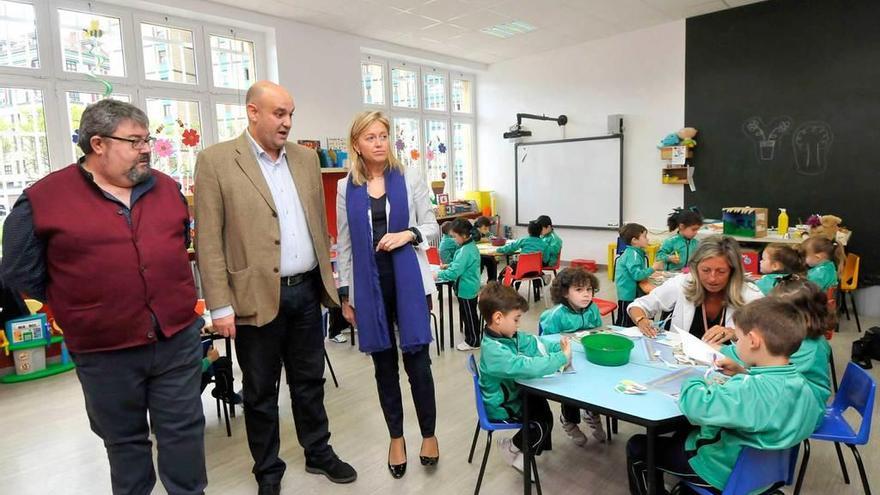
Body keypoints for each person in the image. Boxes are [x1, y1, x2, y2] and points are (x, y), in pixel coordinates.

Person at [0, 99, 207, 495]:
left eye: (147, 139)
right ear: (97, 144)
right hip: (103, 349)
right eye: (134, 140)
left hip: (175, 338)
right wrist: (80, 302)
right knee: (125, 444)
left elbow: (179, 243)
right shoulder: (42, 199)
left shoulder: (167, 188)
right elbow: (18, 271)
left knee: (184, 435)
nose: (146, 148)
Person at [194, 81, 355, 494]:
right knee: (261, 391)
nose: (287, 122)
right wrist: (219, 306)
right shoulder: (215, 161)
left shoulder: (305, 158)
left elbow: (316, 224)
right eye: (279, 113)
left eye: (290, 114)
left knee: (310, 381)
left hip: (306, 291)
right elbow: (209, 240)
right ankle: (267, 470)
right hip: (253, 298)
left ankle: (318, 452)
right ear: (252, 112)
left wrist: (331, 283)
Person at [626, 298, 824, 495]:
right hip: (767, 475)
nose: (735, 344)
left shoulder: (747, 390)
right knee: (683, 434)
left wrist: (694, 377)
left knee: (638, 446)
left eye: (737, 338)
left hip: (718, 472)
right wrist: (743, 373)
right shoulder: (804, 388)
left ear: (753, 341)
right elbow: (772, 403)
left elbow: (696, 408)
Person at [335, 110, 440, 479]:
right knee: (384, 369)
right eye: (371, 137)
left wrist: (408, 234)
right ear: (357, 145)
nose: (379, 143)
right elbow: (345, 243)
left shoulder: (409, 176)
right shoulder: (346, 186)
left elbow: (432, 228)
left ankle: (428, 433)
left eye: (383, 135)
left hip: (409, 281)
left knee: (418, 364)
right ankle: (396, 436)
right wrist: (345, 293)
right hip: (369, 288)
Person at [478, 282, 572, 472]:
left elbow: (533, 342)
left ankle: (526, 450)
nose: (518, 324)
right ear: (498, 318)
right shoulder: (494, 350)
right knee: (542, 423)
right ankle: (515, 448)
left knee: (543, 408)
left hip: (513, 394)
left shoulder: (507, 336)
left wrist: (557, 347)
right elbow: (526, 367)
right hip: (502, 407)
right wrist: (561, 357)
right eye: (516, 319)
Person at [717, 274, 835, 414]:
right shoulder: (798, 337)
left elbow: (778, 384)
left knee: (730, 407)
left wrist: (723, 350)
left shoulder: (808, 348)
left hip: (802, 411)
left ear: (806, 316)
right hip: (792, 400)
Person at [628, 235, 763, 343]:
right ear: (695, 267)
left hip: (730, 371)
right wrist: (641, 320)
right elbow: (638, 305)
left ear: (733, 271)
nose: (712, 278)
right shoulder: (682, 283)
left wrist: (735, 334)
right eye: (705, 270)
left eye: (721, 271)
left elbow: (768, 339)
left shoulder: (751, 295)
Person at [538, 267, 606, 446]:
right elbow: (547, 343)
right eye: (579, 290)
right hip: (564, 359)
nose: (586, 295)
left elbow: (598, 331)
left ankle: (592, 413)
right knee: (571, 387)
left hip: (587, 356)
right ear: (565, 293)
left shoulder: (592, 309)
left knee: (597, 380)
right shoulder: (554, 315)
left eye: (589, 289)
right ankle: (568, 420)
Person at [437, 218, 482, 351]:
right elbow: (459, 264)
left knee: (469, 315)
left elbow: (454, 272)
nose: (454, 239)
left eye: (455, 236)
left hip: (466, 288)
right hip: (469, 286)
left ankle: (473, 341)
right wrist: (449, 265)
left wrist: (438, 275)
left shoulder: (465, 251)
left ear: (463, 235)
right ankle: (472, 336)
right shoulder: (469, 246)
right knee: (469, 313)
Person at [614, 223, 662, 327]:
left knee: (629, 321)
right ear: (634, 240)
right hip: (628, 295)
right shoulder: (633, 254)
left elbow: (637, 271)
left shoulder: (635, 252)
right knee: (625, 323)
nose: (647, 239)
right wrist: (653, 268)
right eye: (644, 236)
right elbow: (637, 275)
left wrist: (649, 273)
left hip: (631, 293)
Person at [497, 220, 549, 301]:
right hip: (535, 271)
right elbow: (546, 259)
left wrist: (499, 249)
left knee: (509, 268)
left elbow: (510, 248)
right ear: (541, 231)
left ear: (528, 230)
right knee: (528, 266)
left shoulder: (524, 240)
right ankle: (542, 278)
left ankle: (502, 288)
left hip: (520, 271)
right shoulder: (544, 244)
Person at [474, 215, 498, 281]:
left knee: (492, 261)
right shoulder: (474, 232)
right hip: (475, 255)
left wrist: (493, 238)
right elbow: (473, 240)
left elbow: (492, 237)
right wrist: (484, 240)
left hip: (483, 253)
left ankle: (492, 282)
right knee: (480, 264)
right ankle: (475, 281)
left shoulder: (485, 232)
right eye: (485, 228)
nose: (487, 230)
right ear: (479, 227)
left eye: (488, 228)